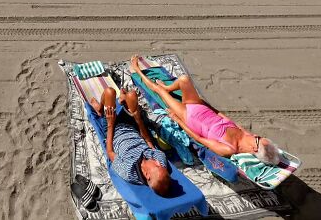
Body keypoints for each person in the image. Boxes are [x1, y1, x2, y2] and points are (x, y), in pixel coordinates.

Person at [130, 56, 280, 164]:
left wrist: (178, 120)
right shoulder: (245, 134)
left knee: (159, 93)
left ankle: (137, 70)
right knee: (184, 80)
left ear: (253, 148)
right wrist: (206, 104)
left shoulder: (229, 149)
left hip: (190, 117)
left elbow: (199, 139)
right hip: (201, 108)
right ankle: (168, 86)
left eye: (258, 139)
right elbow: (220, 115)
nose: (256, 135)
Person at [90, 86, 171, 195]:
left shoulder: (128, 171)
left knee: (110, 92)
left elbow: (110, 152)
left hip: (114, 130)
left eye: (156, 166)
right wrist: (138, 119)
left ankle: (100, 110)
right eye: (160, 165)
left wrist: (110, 123)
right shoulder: (160, 161)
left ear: (147, 175)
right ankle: (123, 100)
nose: (158, 162)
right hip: (131, 125)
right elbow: (148, 140)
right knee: (132, 95)